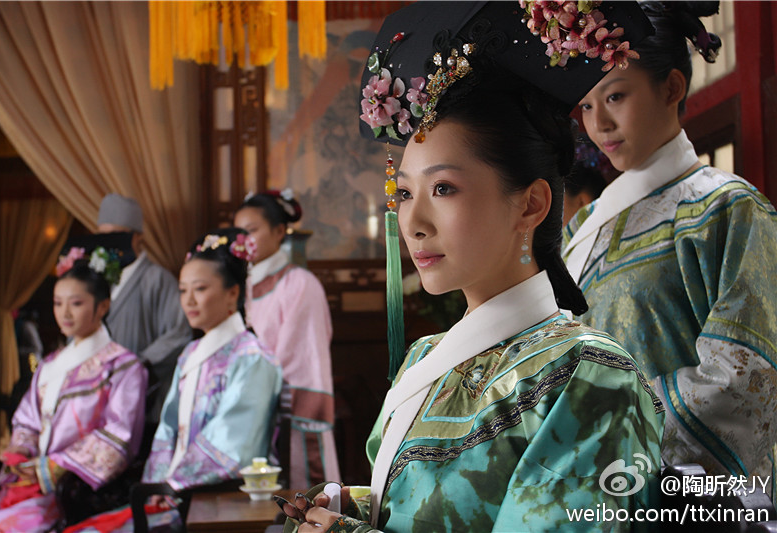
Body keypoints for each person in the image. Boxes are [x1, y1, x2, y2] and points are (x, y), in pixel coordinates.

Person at [283, 2, 662, 531]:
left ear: (530, 204)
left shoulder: (588, 376)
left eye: (443, 188)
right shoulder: (426, 358)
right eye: (405, 192)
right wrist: (354, 506)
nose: (413, 222)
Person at [564, 1, 777, 483]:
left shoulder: (727, 209)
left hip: (692, 496)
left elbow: (743, 381)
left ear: (672, 88)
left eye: (615, 97)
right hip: (588, 495)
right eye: (587, 106)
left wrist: (599, 436)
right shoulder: (580, 231)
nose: (598, 124)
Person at [66, 227, 282, 532]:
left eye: (200, 289)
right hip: (173, 497)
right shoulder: (190, 353)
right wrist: (157, 485)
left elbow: (235, 445)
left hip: (218, 501)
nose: (189, 301)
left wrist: (171, 484)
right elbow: (167, 433)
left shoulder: (252, 357)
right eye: (182, 290)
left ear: (233, 292)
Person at [0, 247, 147, 533]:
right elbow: (27, 421)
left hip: (76, 487)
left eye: (76, 303)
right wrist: (21, 455)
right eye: (57, 303)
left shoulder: (122, 366)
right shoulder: (49, 366)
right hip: (35, 484)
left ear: (103, 306)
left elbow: (119, 435)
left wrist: (54, 468)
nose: (64, 313)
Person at [234, 191, 340, 487]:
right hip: (249, 412)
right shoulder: (239, 286)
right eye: (239, 233)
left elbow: (304, 356)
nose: (244, 240)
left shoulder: (300, 284)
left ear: (279, 231)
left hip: (288, 414)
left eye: (252, 231)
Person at [95, 193, 193, 429]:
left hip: (143, 400)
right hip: (97, 399)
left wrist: (136, 365)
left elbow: (179, 333)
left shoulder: (158, 279)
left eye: (117, 236)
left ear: (138, 238)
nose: (110, 244)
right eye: (103, 236)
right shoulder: (96, 279)